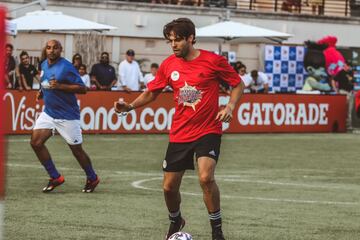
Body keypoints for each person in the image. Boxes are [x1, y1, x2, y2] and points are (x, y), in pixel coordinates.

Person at [114, 18, 244, 240]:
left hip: (208, 130)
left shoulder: (213, 61)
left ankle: (217, 231)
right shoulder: (168, 65)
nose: (173, 45)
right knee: (168, 188)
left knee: (205, 178)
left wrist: (230, 106)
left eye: (177, 40)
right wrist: (130, 106)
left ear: (191, 38)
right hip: (180, 133)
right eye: (170, 41)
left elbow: (238, 83)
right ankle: (176, 220)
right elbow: (152, 92)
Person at [30, 39, 99, 193]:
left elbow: (83, 89)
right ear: (45, 49)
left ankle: (92, 177)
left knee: (76, 150)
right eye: (48, 48)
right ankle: (55, 177)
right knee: (36, 142)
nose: (51, 50)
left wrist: (61, 86)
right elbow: (46, 81)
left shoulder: (66, 66)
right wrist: (42, 91)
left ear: (60, 50)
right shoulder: (43, 64)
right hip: (49, 113)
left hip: (67, 116)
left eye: (55, 48)